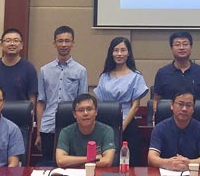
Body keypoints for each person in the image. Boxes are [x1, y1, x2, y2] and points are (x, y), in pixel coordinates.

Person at [148, 86, 200, 176]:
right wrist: (168, 163)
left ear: (193, 109)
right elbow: (151, 157)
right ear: (172, 105)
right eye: (180, 104)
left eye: (188, 105)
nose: (184, 109)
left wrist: (189, 163)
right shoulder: (160, 128)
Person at [93, 37, 148, 166]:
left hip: (127, 124)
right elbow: (100, 103)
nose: (119, 54)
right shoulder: (104, 76)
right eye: (116, 50)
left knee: (129, 163)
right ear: (111, 53)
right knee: (104, 163)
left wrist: (122, 126)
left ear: (128, 53)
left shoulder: (136, 76)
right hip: (105, 124)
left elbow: (135, 106)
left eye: (123, 50)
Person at [36, 26, 88, 163]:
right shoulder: (44, 70)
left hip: (71, 126)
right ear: (54, 43)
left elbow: (83, 103)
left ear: (73, 43)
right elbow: (41, 102)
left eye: (67, 41)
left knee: (70, 164)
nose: (64, 44)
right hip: (48, 126)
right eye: (60, 41)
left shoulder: (81, 71)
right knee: (48, 164)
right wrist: (38, 132)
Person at [151, 31, 200, 111]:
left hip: (194, 116)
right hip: (169, 116)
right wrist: (155, 114)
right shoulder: (162, 73)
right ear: (171, 48)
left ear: (191, 47)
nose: (181, 47)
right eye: (177, 45)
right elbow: (156, 100)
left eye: (185, 44)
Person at [55, 94, 116, 167]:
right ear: (74, 114)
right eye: (81, 110)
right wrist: (92, 159)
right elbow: (60, 161)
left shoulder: (107, 131)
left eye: (89, 109)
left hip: (98, 173)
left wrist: (75, 163)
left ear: (96, 111)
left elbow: (107, 161)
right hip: (72, 173)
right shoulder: (65, 132)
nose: (85, 113)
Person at [0, 28, 38, 103]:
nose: (12, 44)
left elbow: (32, 97)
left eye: (16, 41)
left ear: (21, 45)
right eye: (8, 41)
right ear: (1, 45)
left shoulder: (29, 69)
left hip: (20, 110)